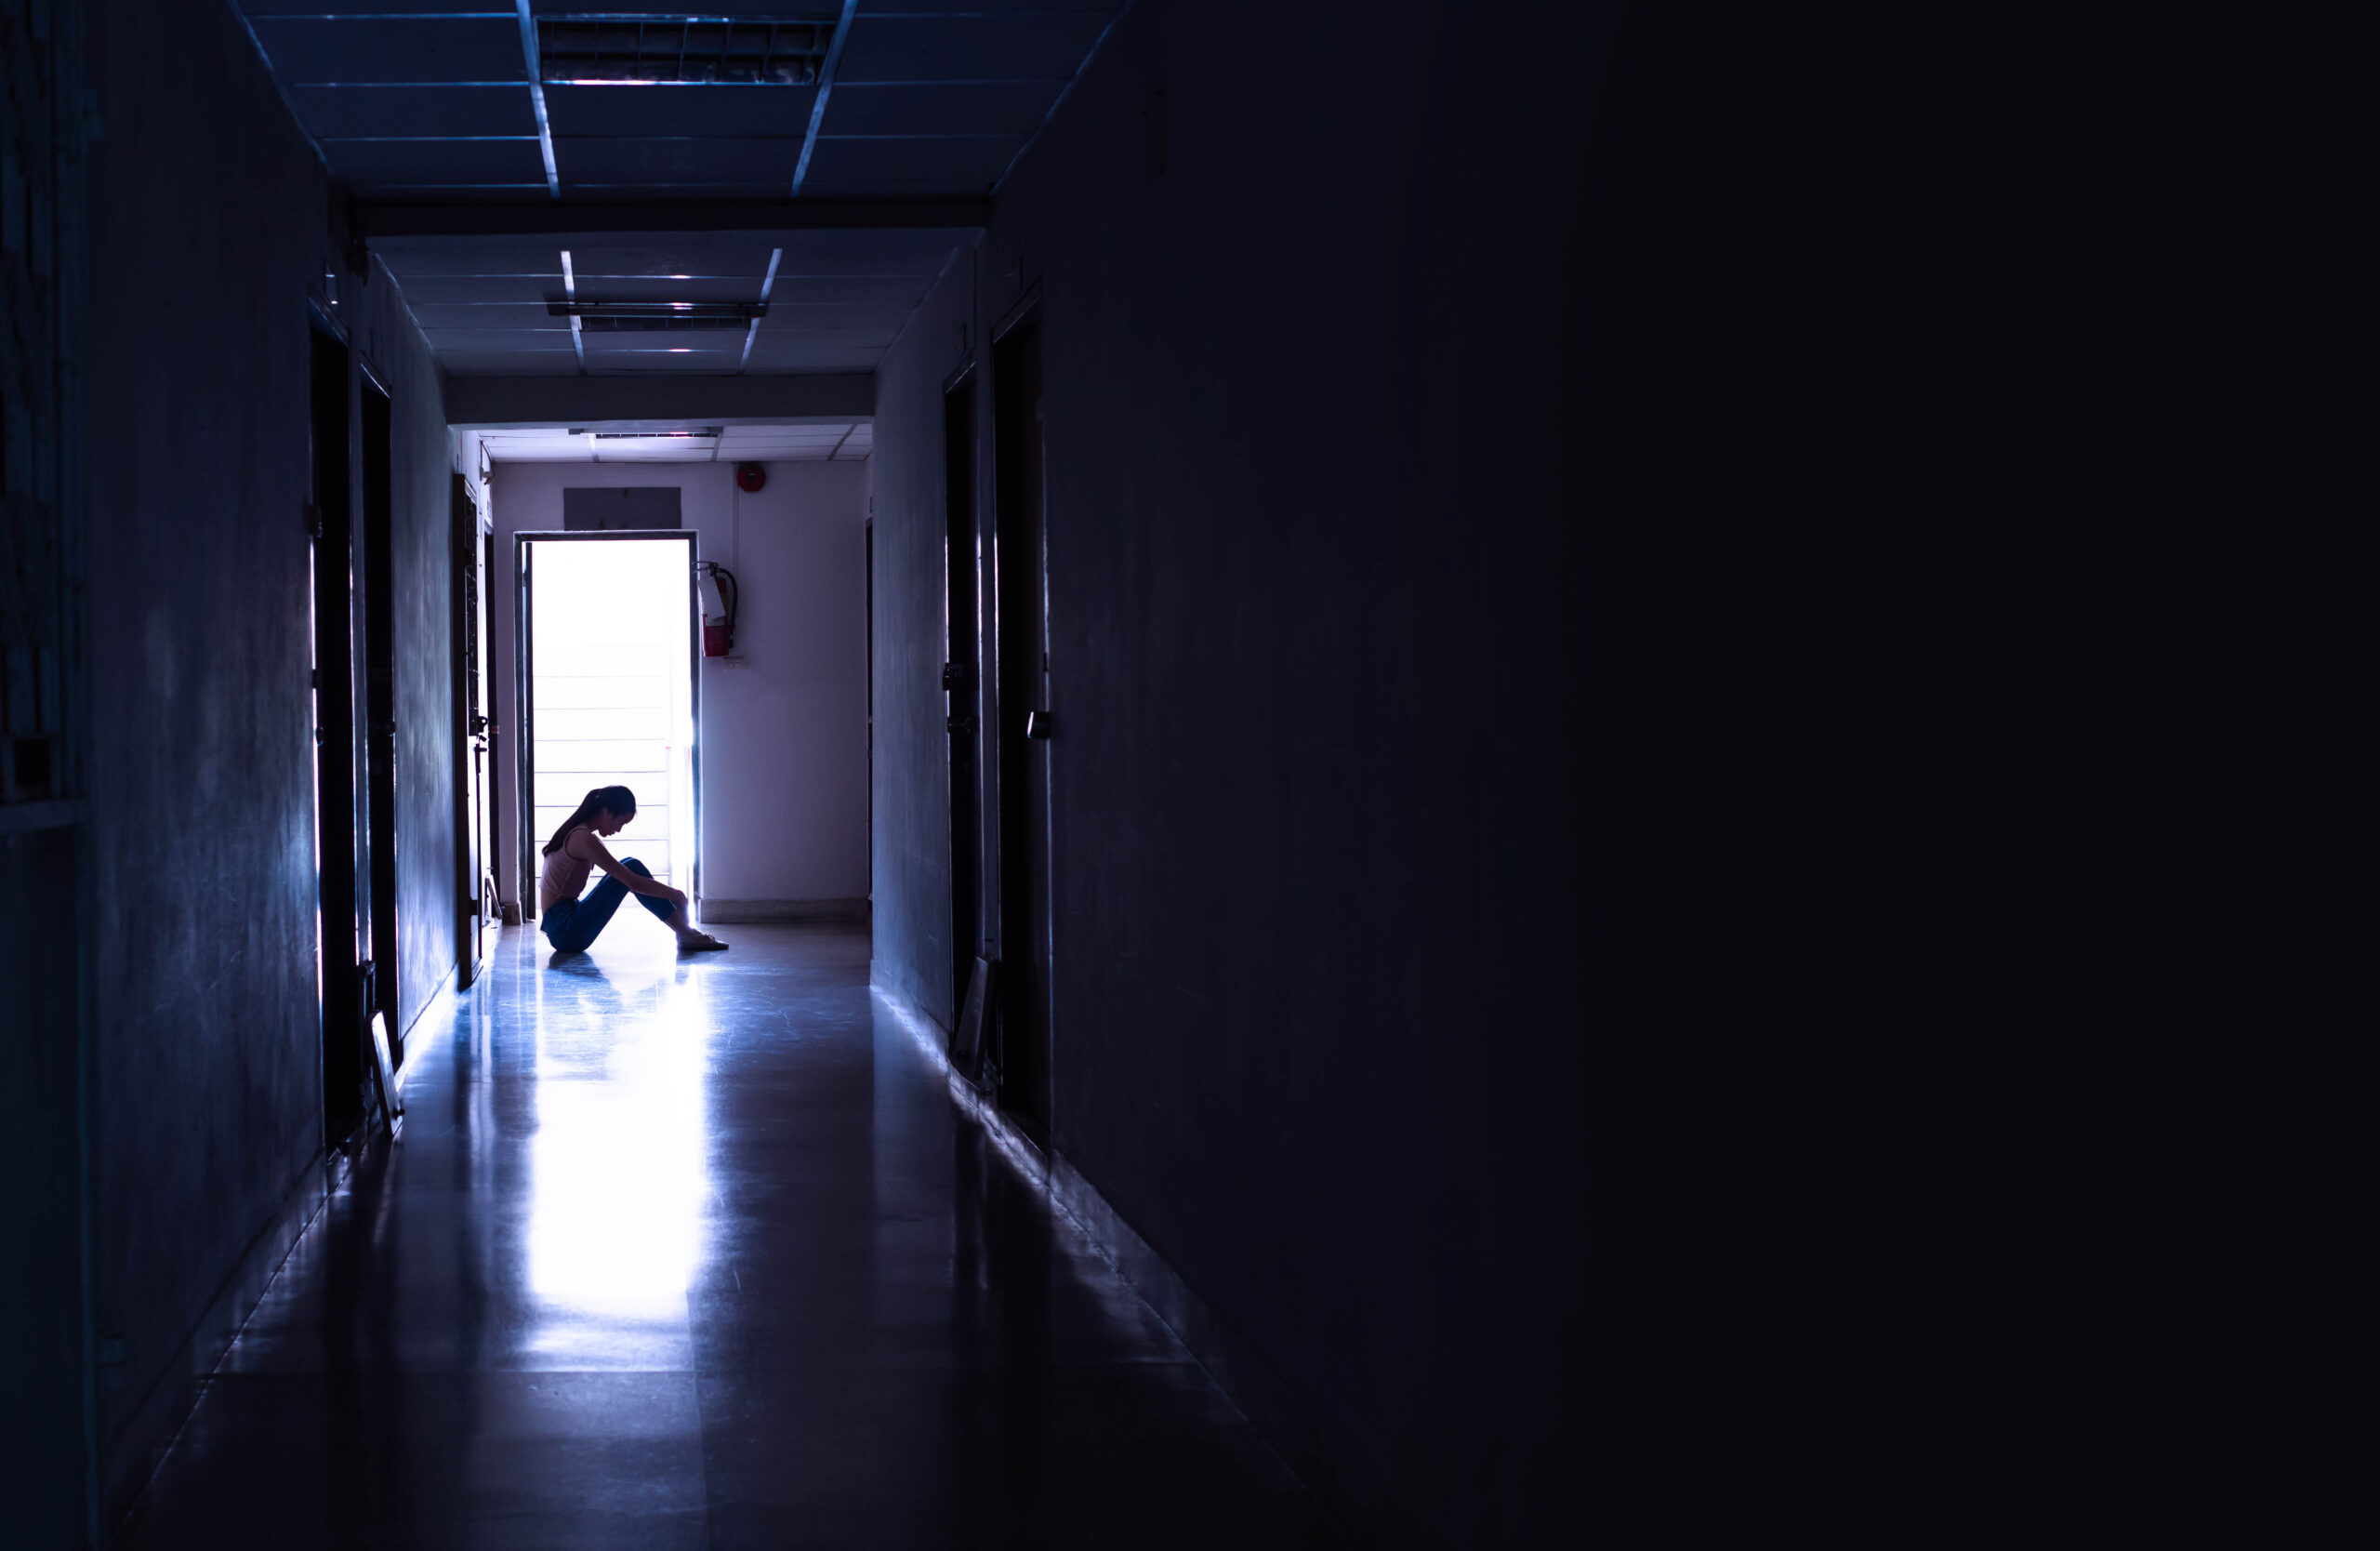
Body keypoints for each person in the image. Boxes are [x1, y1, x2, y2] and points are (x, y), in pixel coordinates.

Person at [537, 785, 728, 954]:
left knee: (629, 863)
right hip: (566, 930)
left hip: (563, 924)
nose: (619, 830)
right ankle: (686, 933)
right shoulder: (582, 839)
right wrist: (676, 895)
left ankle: (684, 932)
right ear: (606, 813)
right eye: (621, 822)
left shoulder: (577, 832)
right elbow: (632, 881)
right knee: (631, 867)